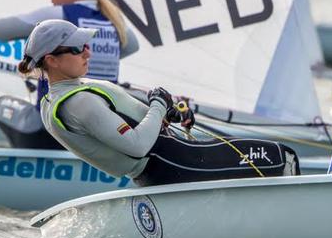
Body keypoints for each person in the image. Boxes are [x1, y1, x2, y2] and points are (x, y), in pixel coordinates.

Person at [18, 19, 299, 187]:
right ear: (52, 60)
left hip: (173, 159)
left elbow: (134, 114)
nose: (88, 52)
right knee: (283, 156)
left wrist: (170, 112)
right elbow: (138, 145)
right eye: (78, 48)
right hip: (175, 162)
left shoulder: (60, 95)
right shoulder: (78, 104)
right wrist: (158, 106)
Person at [0, 0, 139, 105]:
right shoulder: (113, 18)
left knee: (4, 109)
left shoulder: (57, 15)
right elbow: (132, 46)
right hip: (105, 113)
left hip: (57, 120)